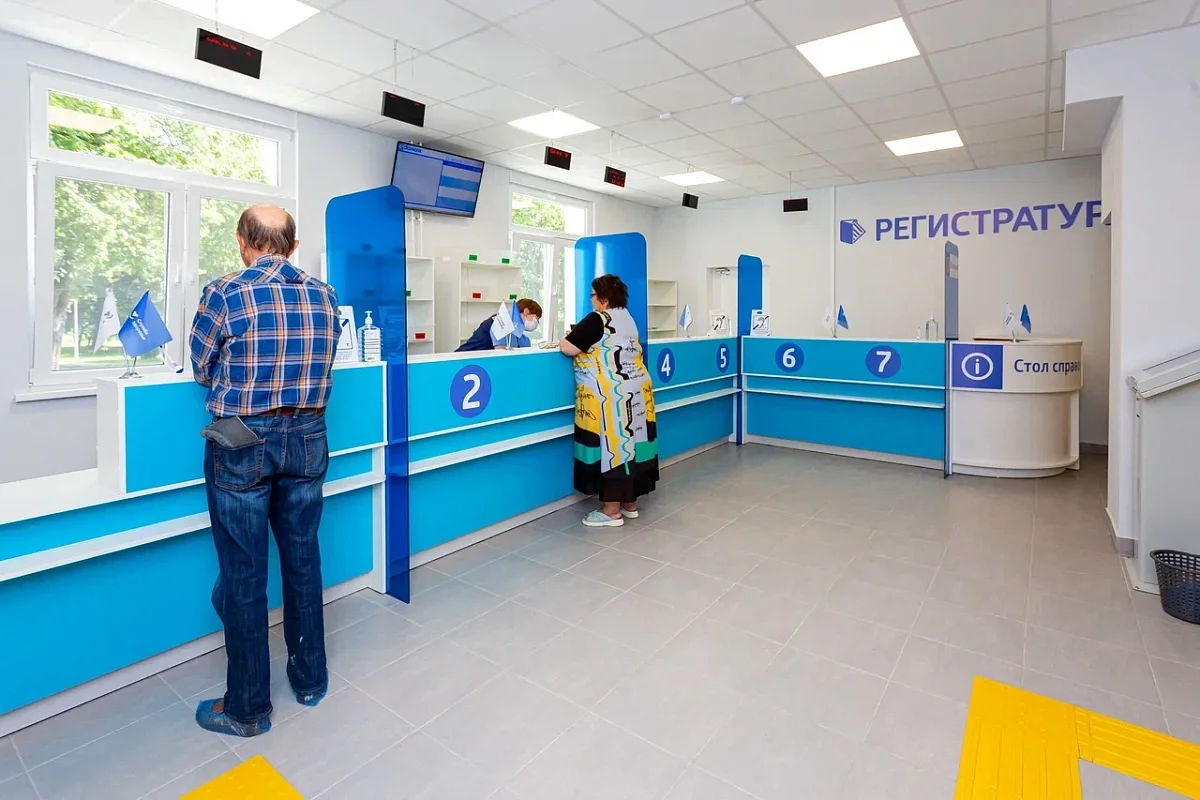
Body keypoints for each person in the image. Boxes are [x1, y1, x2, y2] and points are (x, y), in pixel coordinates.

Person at [188, 205, 340, 737]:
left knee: (244, 573)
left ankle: (248, 709)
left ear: (242, 241)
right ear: (293, 247)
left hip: (242, 440)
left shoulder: (224, 292)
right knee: (303, 560)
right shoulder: (325, 294)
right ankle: (310, 680)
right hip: (309, 436)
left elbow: (202, 368)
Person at [559, 274, 659, 527]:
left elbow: (568, 347)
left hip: (611, 396)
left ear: (603, 298)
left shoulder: (599, 319)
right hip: (637, 390)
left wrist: (569, 337)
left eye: (593, 295)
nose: (591, 300)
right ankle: (629, 503)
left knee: (614, 449)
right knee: (634, 445)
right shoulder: (627, 318)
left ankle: (611, 511)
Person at [456, 298, 542, 351]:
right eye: (536, 318)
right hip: (463, 361)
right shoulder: (501, 323)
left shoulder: (517, 333)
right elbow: (502, 355)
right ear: (526, 311)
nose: (536, 322)